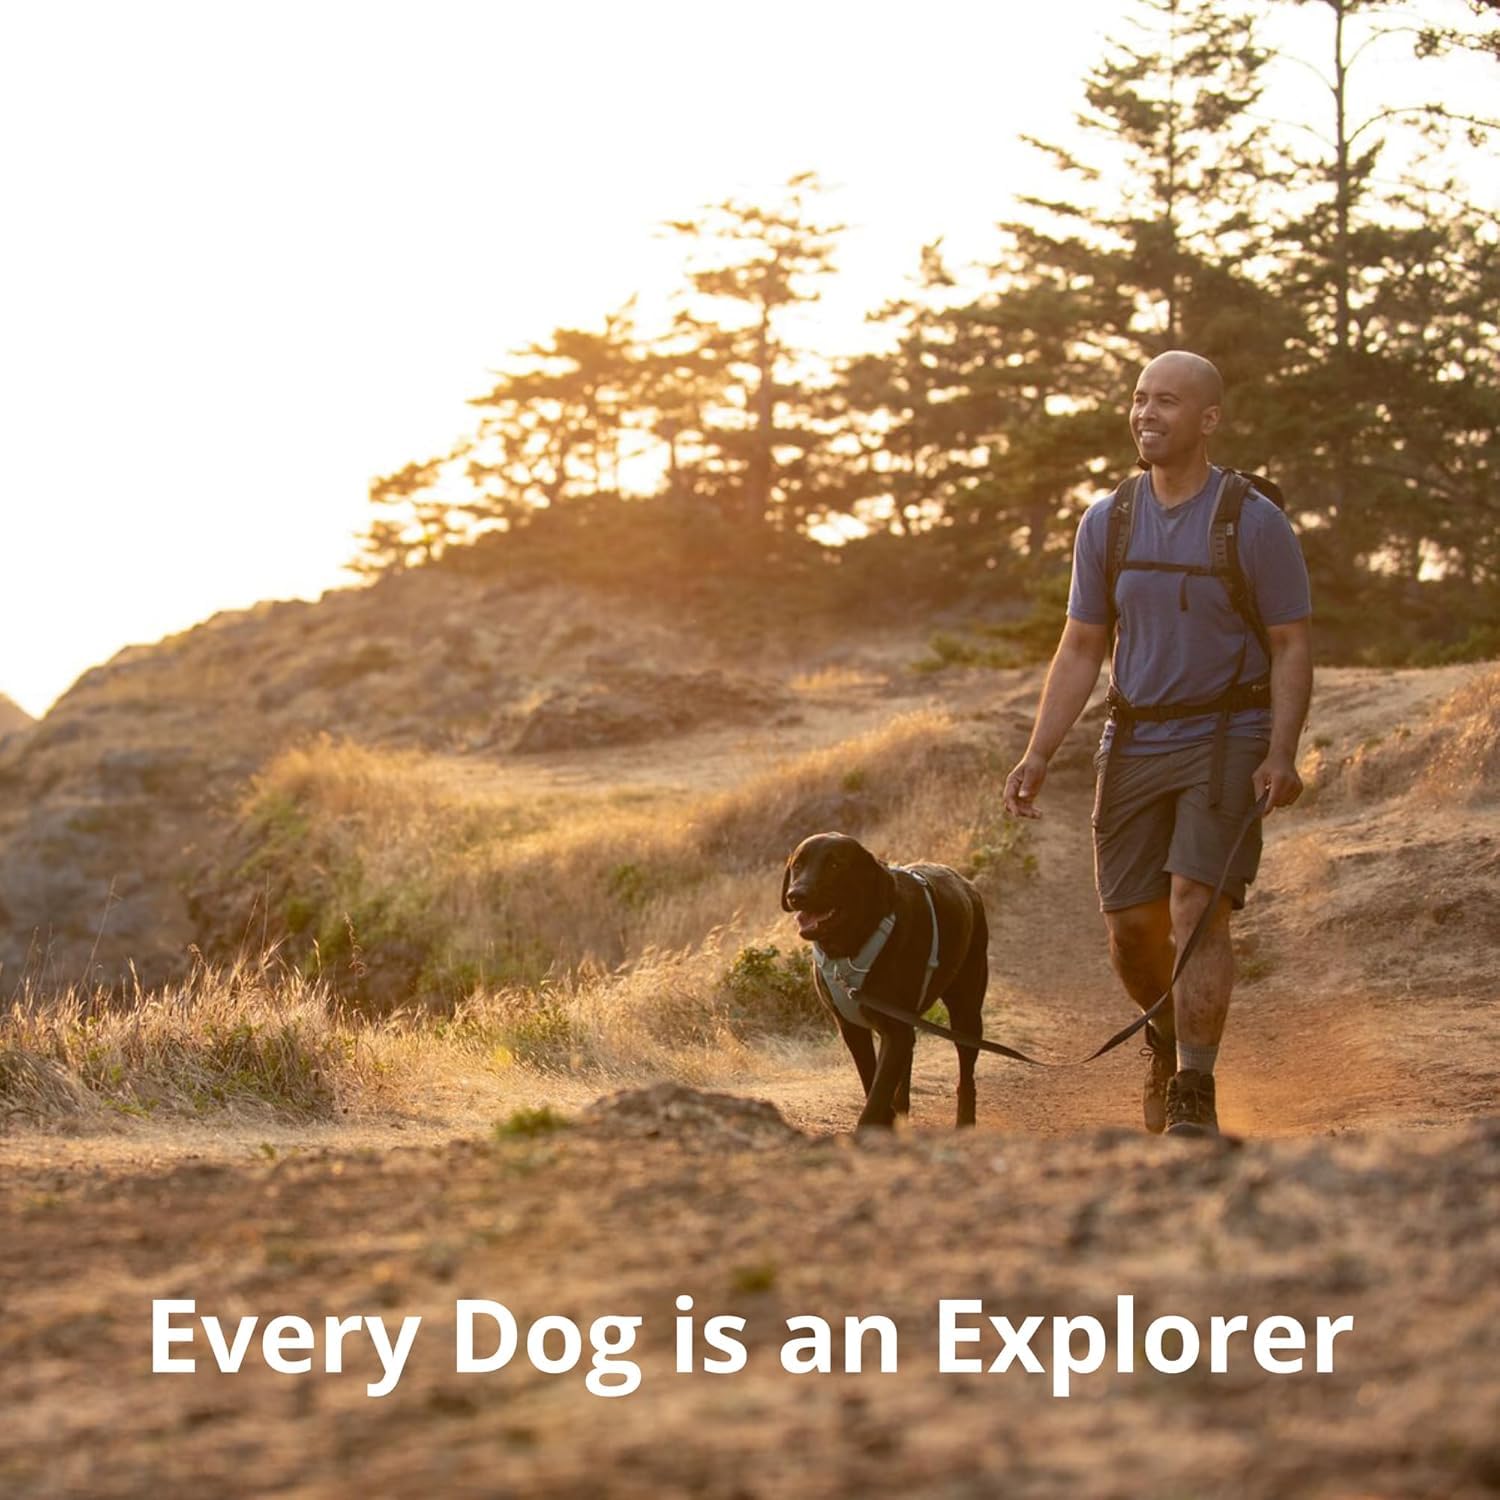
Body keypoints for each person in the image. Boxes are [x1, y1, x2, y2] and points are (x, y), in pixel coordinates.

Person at [1002, 350, 1312, 1136]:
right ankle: (1164, 1033)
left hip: (1226, 737)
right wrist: (1038, 753)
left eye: (1166, 402)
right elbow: (1079, 646)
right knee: (1132, 930)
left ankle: (1194, 1093)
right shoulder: (1107, 520)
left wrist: (1281, 750)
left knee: (1196, 909)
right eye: (1139, 399)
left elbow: (1289, 641)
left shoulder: (1253, 520)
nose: (1147, 414)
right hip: (1134, 738)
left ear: (1207, 419)